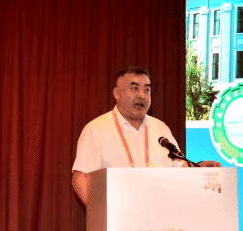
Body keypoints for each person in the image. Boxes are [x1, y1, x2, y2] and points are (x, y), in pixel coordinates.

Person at [72, 66, 220, 205]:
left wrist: (198, 168)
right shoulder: (96, 130)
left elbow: (180, 170)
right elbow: (80, 178)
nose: (142, 95)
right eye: (134, 88)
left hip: (160, 217)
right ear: (117, 93)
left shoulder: (160, 129)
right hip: (118, 219)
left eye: (147, 90)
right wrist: (102, 213)